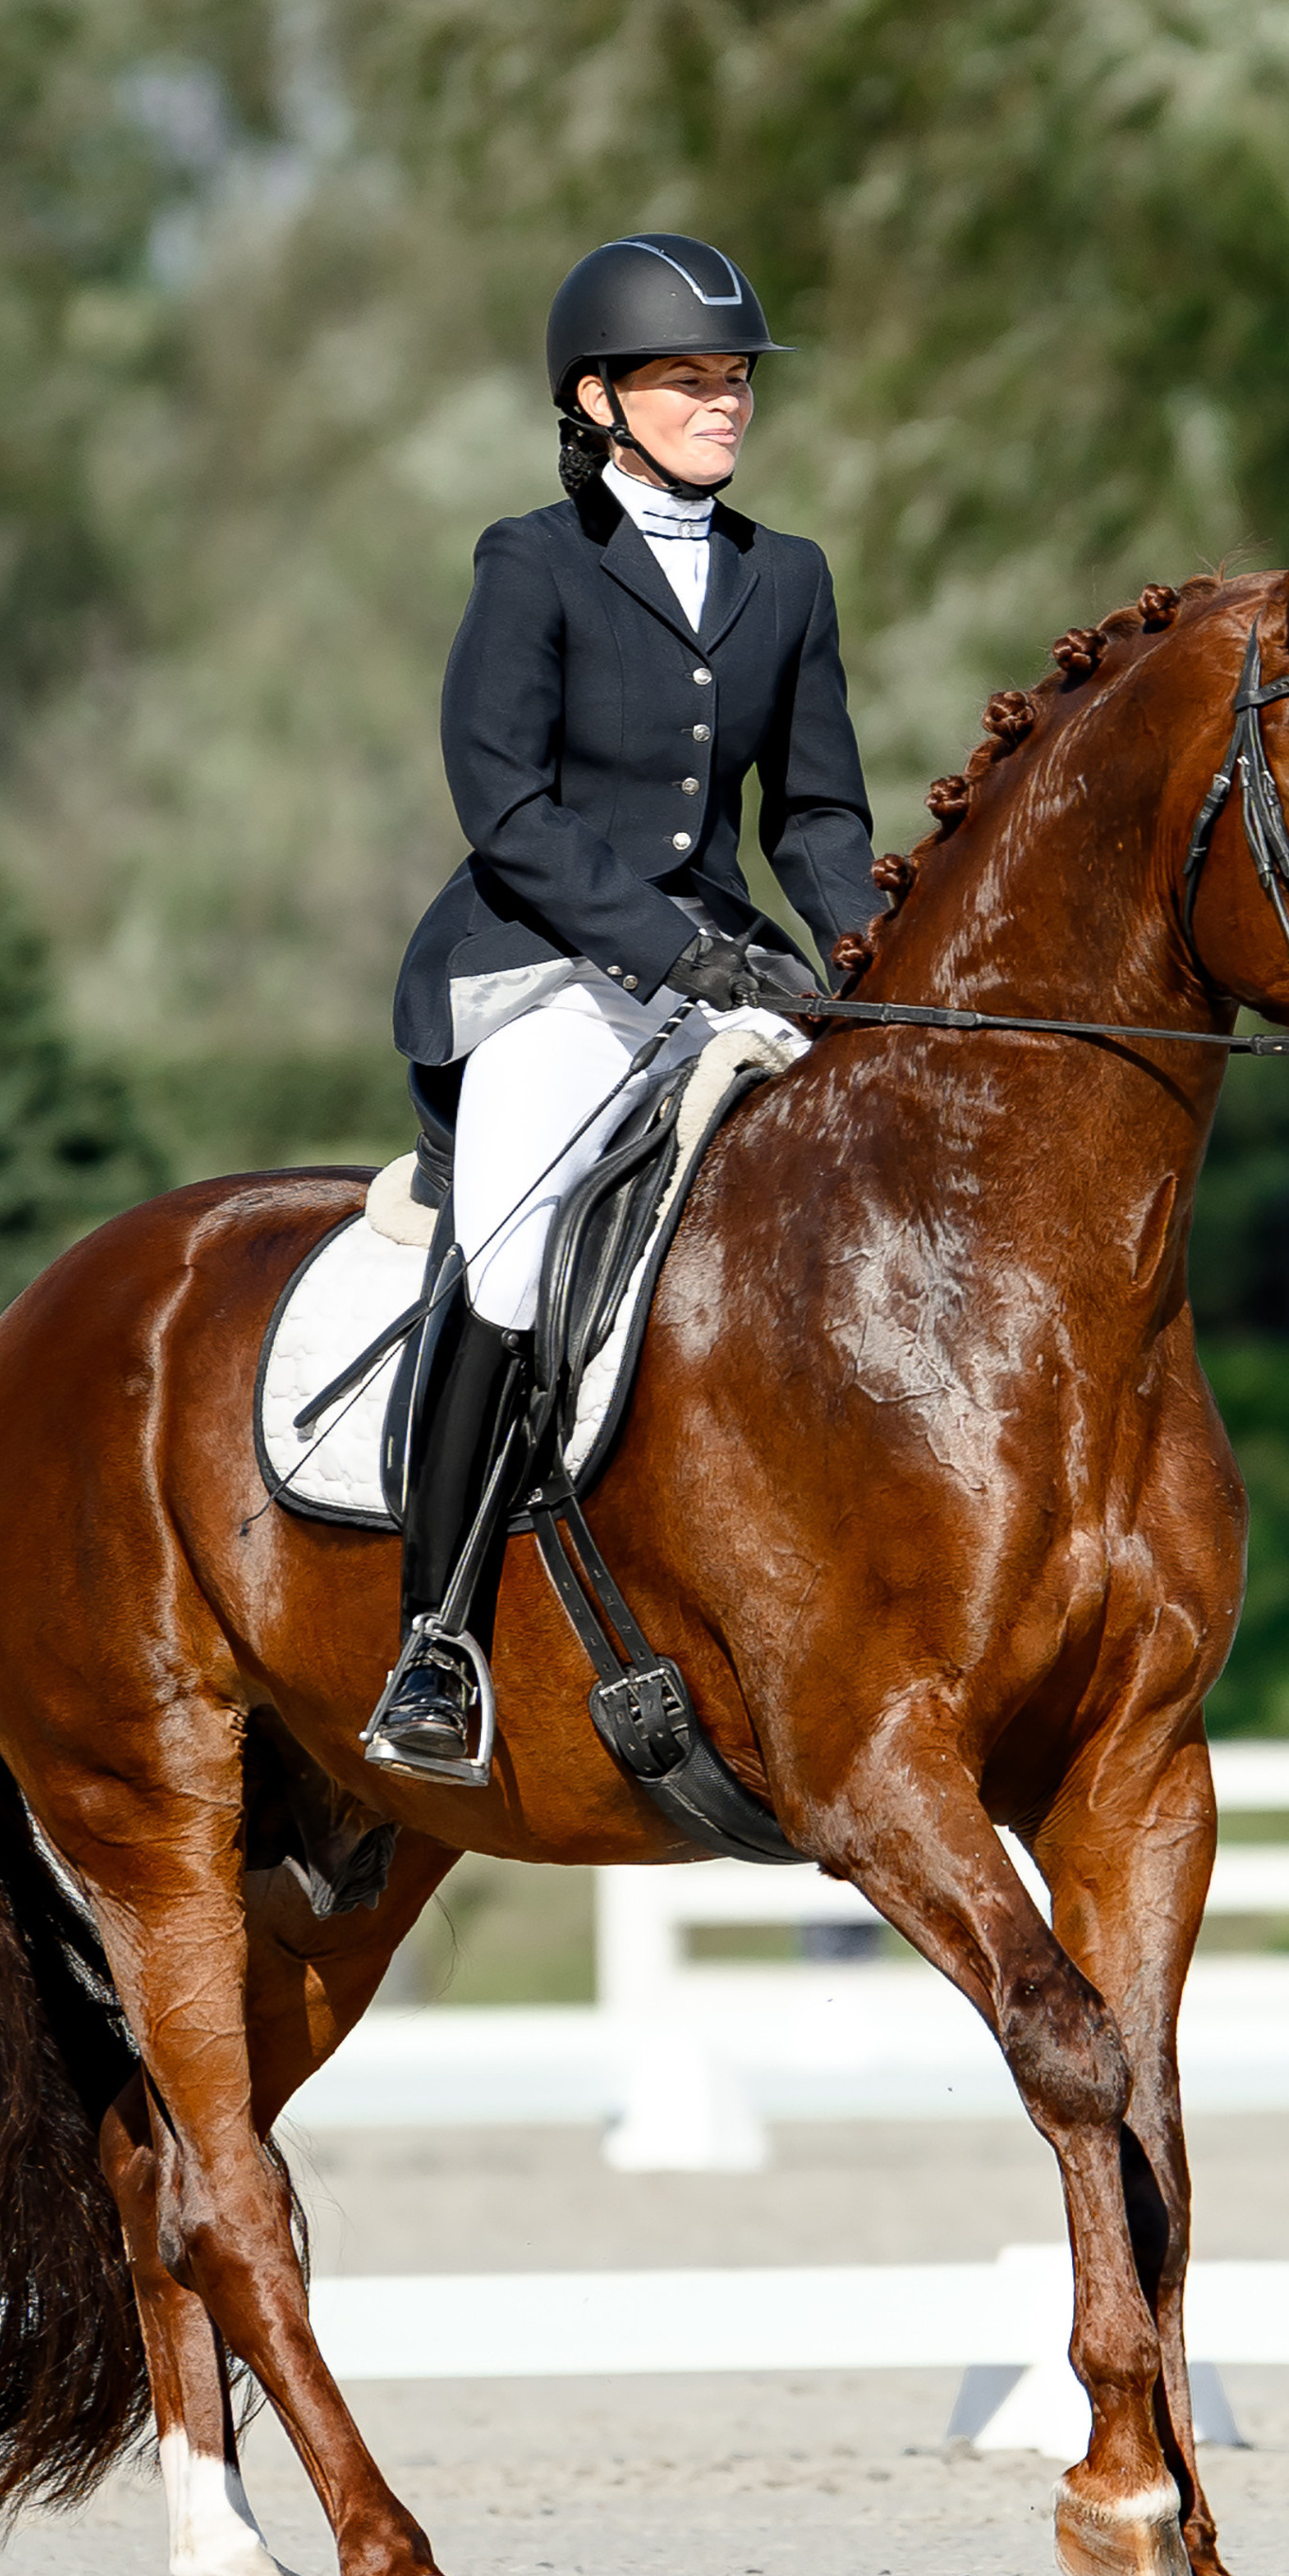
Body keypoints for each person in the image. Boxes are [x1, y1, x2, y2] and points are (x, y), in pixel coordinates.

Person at [367, 233, 880, 1769]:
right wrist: (671, 951)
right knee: (517, 1240)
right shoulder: (532, 561)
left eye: (734, 382)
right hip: (545, 969)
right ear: (597, 399)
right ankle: (437, 1643)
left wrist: (865, 957)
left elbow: (815, 819)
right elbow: (505, 806)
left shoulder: (786, 576)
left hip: (722, 965)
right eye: (690, 381)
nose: (727, 405)